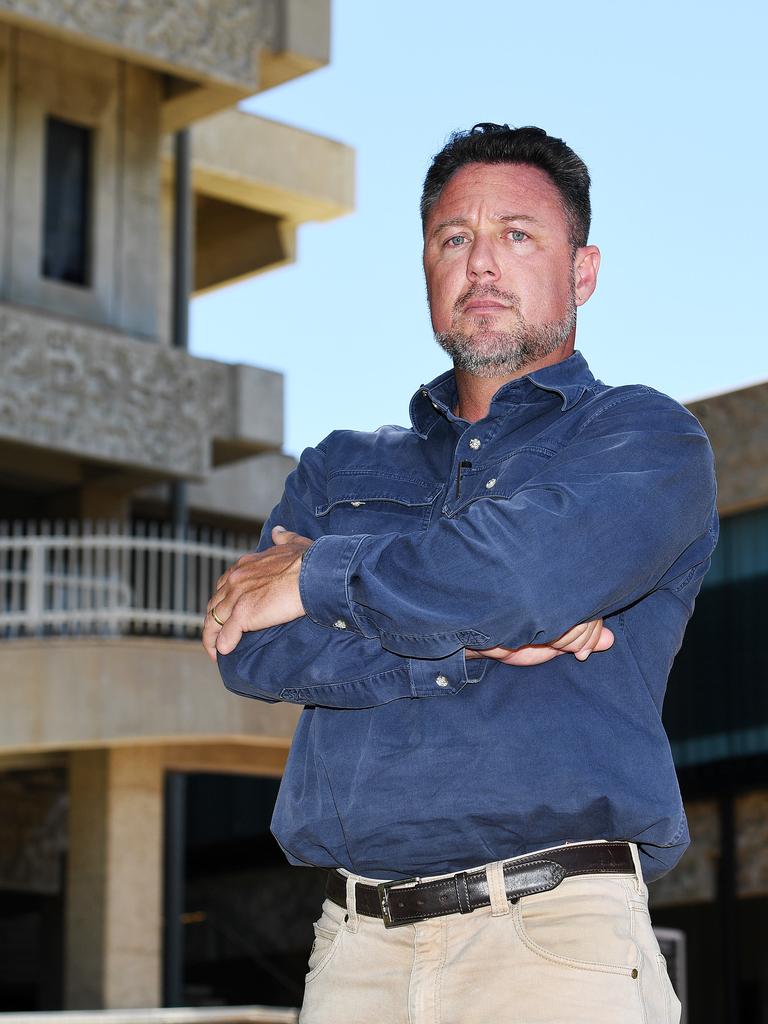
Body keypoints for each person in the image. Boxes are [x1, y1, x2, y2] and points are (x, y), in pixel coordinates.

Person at [202, 124, 717, 1024]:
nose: (482, 263)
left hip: (553, 944)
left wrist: (322, 575)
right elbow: (252, 648)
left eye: (519, 235)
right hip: (352, 953)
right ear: (428, 271)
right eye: (455, 238)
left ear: (582, 272)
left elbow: (514, 582)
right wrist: (477, 641)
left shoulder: (643, 441)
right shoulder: (340, 467)